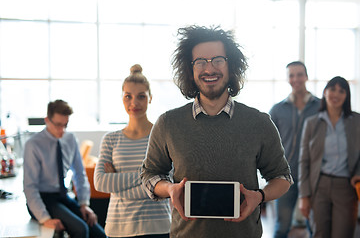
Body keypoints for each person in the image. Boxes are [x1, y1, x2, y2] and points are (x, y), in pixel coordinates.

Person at [140, 25, 293, 238]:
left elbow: (282, 177)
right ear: (190, 69)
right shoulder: (168, 123)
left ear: (231, 67)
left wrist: (259, 196)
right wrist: (169, 189)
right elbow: (149, 174)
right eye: (200, 62)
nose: (209, 69)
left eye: (218, 60)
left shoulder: (259, 122)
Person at [94, 64, 171, 238]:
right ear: (122, 98)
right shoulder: (111, 139)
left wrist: (117, 187)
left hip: (157, 227)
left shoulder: (162, 136)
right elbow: (100, 182)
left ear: (150, 98)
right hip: (119, 228)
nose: (134, 103)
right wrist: (150, 177)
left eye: (141, 96)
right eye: (128, 96)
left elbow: (169, 181)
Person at [23, 99, 106, 238]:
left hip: (63, 196)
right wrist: (45, 218)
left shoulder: (70, 139)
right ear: (47, 120)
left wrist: (84, 203)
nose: (62, 130)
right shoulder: (33, 144)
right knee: (81, 229)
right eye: (58, 125)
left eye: (65, 125)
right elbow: (30, 187)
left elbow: (79, 174)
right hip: (43, 199)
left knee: (99, 234)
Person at [298, 76, 360, 238]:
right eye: (332, 89)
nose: (336, 94)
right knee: (320, 233)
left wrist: (358, 174)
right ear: (325, 92)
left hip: (346, 187)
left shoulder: (357, 121)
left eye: (341, 90)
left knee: (343, 233)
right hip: (319, 186)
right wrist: (304, 195)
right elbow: (304, 161)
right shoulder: (311, 123)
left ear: (347, 96)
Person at [269, 61, 320, 238]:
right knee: (281, 227)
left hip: (314, 177)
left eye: (299, 74)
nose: (296, 79)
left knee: (315, 226)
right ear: (288, 79)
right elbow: (269, 145)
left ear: (306, 76)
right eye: (291, 75)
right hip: (285, 177)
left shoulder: (321, 106)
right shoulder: (277, 110)